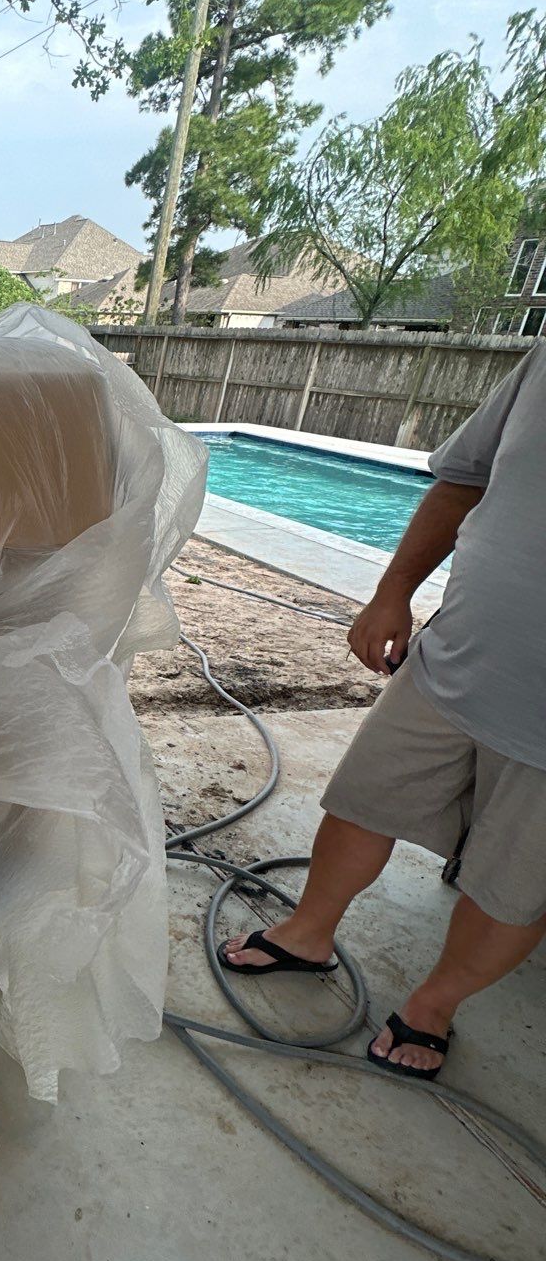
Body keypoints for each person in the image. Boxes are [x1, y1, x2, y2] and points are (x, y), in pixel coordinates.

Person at [220, 342, 546, 1081]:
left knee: (512, 886)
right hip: (458, 656)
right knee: (362, 801)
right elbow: (464, 481)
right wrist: (393, 591)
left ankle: (433, 1006)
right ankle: (307, 933)